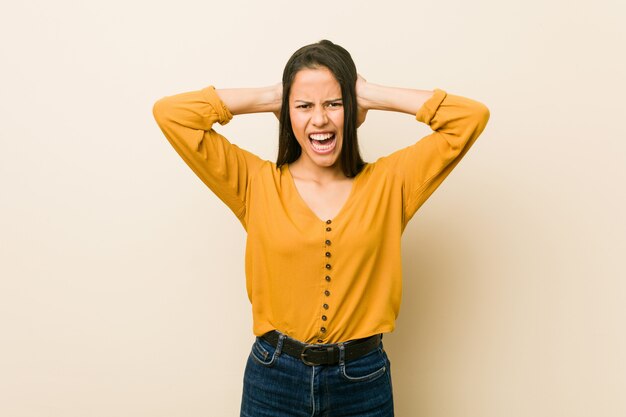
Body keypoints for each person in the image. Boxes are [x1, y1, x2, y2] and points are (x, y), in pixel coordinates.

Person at [153, 39, 489, 417]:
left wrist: (367, 92)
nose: (320, 119)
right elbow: (172, 114)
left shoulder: (392, 184)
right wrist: (274, 96)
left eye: (334, 103)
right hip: (273, 377)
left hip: (363, 379)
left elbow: (469, 117)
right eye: (304, 106)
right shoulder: (254, 183)